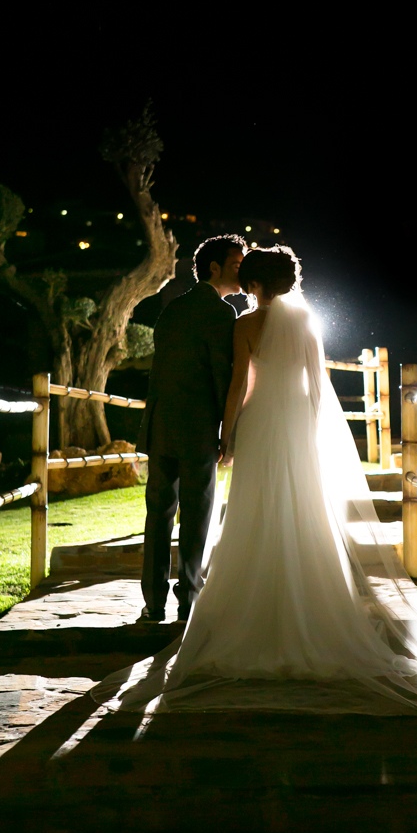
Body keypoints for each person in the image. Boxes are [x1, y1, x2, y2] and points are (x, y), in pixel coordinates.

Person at [93, 246, 417, 716]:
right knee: (301, 509)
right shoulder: (307, 321)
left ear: (255, 284)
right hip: (297, 422)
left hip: (248, 423)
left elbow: (238, 382)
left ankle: (200, 603)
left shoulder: (237, 323)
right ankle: (300, 604)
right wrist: (311, 428)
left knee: (243, 510)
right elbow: (318, 387)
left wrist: (230, 430)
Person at [136, 233, 247, 624]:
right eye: (236, 265)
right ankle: (189, 601)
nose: (242, 270)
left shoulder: (173, 308)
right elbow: (222, 376)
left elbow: (160, 371)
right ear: (215, 268)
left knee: (158, 515)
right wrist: (227, 432)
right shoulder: (220, 313)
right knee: (196, 516)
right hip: (198, 428)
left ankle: (153, 604)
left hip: (161, 424)